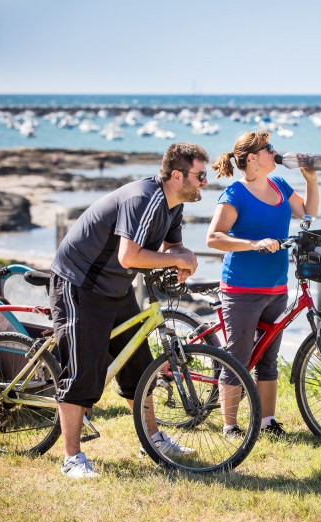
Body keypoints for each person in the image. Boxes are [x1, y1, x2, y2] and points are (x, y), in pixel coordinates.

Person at [49, 142, 209, 478]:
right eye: (200, 175)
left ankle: (152, 439)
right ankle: (72, 458)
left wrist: (183, 256)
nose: (205, 182)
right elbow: (129, 256)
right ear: (178, 176)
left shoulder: (173, 203)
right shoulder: (144, 199)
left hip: (115, 286)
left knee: (139, 366)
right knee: (83, 371)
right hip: (80, 282)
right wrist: (174, 259)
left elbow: (172, 244)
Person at [206, 130, 319, 437]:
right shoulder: (235, 194)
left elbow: (308, 213)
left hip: (276, 287)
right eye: (269, 148)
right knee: (238, 358)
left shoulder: (280, 185)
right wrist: (254, 243)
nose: (275, 152)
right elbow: (214, 238)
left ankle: (268, 422)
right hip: (241, 289)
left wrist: (311, 180)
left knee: (268, 358)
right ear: (253, 157)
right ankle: (230, 426)